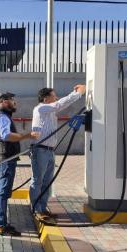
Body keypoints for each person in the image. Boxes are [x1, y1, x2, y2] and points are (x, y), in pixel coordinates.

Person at [30, 85, 86, 221]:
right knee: (38, 181)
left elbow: (58, 105)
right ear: (46, 98)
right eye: (54, 95)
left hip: (49, 151)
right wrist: (77, 93)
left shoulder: (50, 112)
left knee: (47, 182)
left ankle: (43, 208)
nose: (56, 98)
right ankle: (37, 209)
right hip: (40, 150)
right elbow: (59, 104)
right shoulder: (41, 108)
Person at [0, 92, 40, 236]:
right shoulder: (2, 116)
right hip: (5, 159)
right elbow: (6, 135)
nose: (14, 102)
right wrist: (27, 135)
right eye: (12, 100)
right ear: (4, 101)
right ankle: (1, 225)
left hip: (1, 158)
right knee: (3, 193)